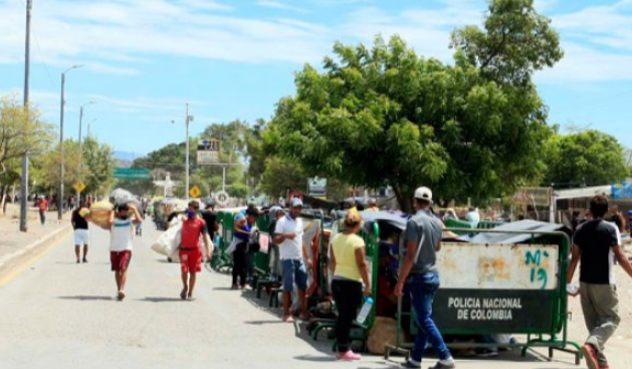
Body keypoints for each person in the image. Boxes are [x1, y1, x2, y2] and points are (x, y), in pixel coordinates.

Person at [567, 195, 632, 369]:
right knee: (612, 318)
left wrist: (567, 284)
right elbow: (620, 255)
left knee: (595, 326)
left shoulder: (580, 229)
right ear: (606, 211)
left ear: (590, 210)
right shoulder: (610, 229)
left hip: (585, 284)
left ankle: (601, 363)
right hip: (604, 283)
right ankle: (591, 346)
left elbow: (574, 259)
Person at [394, 187, 455, 369]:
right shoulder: (437, 222)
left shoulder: (414, 222)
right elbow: (438, 247)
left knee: (424, 319)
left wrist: (400, 281)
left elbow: (410, 255)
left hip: (419, 277)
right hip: (432, 276)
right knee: (423, 318)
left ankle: (445, 356)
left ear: (415, 202)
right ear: (430, 202)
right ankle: (416, 359)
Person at [330, 208, 371, 361]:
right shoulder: (357, 241)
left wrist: (336, 274)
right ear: (357, 225)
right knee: (347, 317)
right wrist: (368, 285)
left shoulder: (336, 239)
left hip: (337, 280)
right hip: (351, 283)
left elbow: (333, 261)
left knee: (342, 316)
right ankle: (344, 349)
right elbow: (362, 265)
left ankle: (342, 347)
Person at [274, 198, 312, 322]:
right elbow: (275, 240)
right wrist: (285, 236)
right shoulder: (282, 221)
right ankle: (286, 314)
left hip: (299, 258)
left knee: (302, 286)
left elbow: (301, 242)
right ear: (291, 207)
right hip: (287, 258)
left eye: (300, 208)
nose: (298, 210)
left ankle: (303, 312)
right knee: (288, 287)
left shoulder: (300, 222)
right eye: (296, 207)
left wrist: (307, 257)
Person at [106, 203, 142, 301]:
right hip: (114, 248)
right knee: (117, 270)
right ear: (119, 212)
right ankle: (119, 290)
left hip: (126, 248)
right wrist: (113, 211)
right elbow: (109, 221)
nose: (124, 213)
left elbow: (139, 220)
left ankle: (122, 289)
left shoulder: (129, 221)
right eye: (123, 211)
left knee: (123, 269)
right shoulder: (114, 221)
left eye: (126, 211)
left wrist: (134, 209)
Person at [178, 201, 213, 300]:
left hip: (195, 251)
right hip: (184, 250)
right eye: (188, 209)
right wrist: (184, 217)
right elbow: (180, 216)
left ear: (196, 210)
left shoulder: (201, 222)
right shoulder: (185, 219)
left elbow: (205, 237)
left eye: (191, 209)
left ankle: (190, 292)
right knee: (184, 270)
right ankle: (185, 287)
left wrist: (208, 251)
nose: (189, 211)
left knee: (193, 272)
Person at [232, 207, 259, 289]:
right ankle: (241, 283)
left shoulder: (250, 223)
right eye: (254, 218)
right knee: (240, 264)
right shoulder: (243, 220)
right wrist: (247, 233)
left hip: (244, 244)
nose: (255, 221)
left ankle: (236, 283)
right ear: (250, 216)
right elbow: (235, 229)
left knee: (239, 264)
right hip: (239, 244)